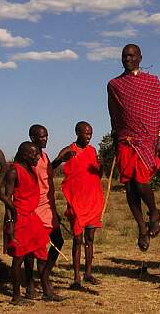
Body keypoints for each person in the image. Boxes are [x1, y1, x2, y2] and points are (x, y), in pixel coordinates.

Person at [107, 44, 160, 251]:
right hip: (126, 140)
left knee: (141, 182)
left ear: (140, 58)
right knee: (130, 186)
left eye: (131, 56)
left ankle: (154, 211)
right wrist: (115, 135)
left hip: (148, 139)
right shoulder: (114, 84)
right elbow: (113, 113)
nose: (127, 59)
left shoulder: (152, 81)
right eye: (124, 56)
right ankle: (142, 227)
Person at [54, 121, 104, 289]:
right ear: (77, 133)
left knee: (90, 238)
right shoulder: (69, 150)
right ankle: (76, 277)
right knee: (77, 239)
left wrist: (102, 164)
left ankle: (88, 273)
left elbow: (98, 175)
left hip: (93, 200)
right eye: (86, 133)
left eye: (91, 134)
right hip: (76, 202)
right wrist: (62, 159)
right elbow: (52, 166)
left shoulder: (92, 151)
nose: (89, 137)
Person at [2, 142, 54, 305]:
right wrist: (10, 222)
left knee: (42, 252)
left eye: (38, 154)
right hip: (19, 219)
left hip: (32, 218)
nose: (38, 158)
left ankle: (46, 290)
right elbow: (7, 198)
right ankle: (16, 297)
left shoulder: (31, 170)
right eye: (34, 155)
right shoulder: (13, 171)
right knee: (18, 258)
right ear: (25, 155)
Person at [25, 124, 64, 300]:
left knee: (58, 240)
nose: (45, 139)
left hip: (48, 205)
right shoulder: (30, 158)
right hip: (35, 207)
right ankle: (33, 285)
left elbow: (47, 175)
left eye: (47, 136)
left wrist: (59, 160)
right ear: (32, 138)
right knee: (33, 248)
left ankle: (44, 275)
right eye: (41, 137)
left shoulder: (45, 155)